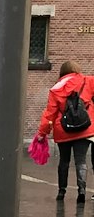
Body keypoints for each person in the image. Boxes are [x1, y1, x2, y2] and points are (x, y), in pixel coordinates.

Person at [36, 60, 94, 203]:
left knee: (64, 161)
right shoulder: (88, 81)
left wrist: (42, 133)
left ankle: (62, 192)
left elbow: (50, 114)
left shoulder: (56, 88)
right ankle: (82, 191)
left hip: (63, 130)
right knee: (81, 161)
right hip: (85, 128)